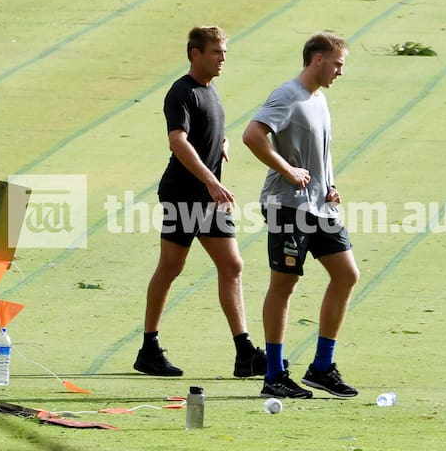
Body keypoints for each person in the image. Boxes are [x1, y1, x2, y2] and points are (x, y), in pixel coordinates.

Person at [133, 26, 268, 378]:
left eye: (224, 52)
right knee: (172, 267)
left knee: (229, 266)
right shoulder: (181, 92)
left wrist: (220, 143)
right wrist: (211, 181)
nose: (223, 58)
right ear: (196, 54)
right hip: (185, 194)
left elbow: (204, 130)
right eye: (216, 52)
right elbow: (177, 140)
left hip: (205, 197)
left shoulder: (210, 91)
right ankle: (150, 347)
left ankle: (243, 352)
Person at [242, 32, 360, 398]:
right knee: (284, 284)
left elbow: (318, 152)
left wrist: (330, 184)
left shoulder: (318, 99)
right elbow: (252, 135)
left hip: (319, 206)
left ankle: (322, 367)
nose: (340, 71)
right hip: (286, 206)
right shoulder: (287, 96)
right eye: (338, 63)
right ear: (318, 60)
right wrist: (289, 170)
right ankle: (274, 375)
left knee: (347, 274)